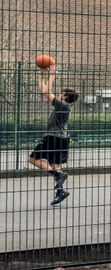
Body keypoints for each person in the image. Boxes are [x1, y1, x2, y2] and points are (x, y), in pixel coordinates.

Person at [28, 65, 78, 206]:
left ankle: (59, 175)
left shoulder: (63, 105)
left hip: (53, 137)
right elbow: (44, 91)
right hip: (61, 138)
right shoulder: (64, 106)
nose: (59, 94)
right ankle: (60, 192)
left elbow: (46, 92)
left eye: (61, 93)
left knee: (32, 159)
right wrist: (41, 76)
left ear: (65, 97)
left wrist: (52, 75)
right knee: (54, 165)